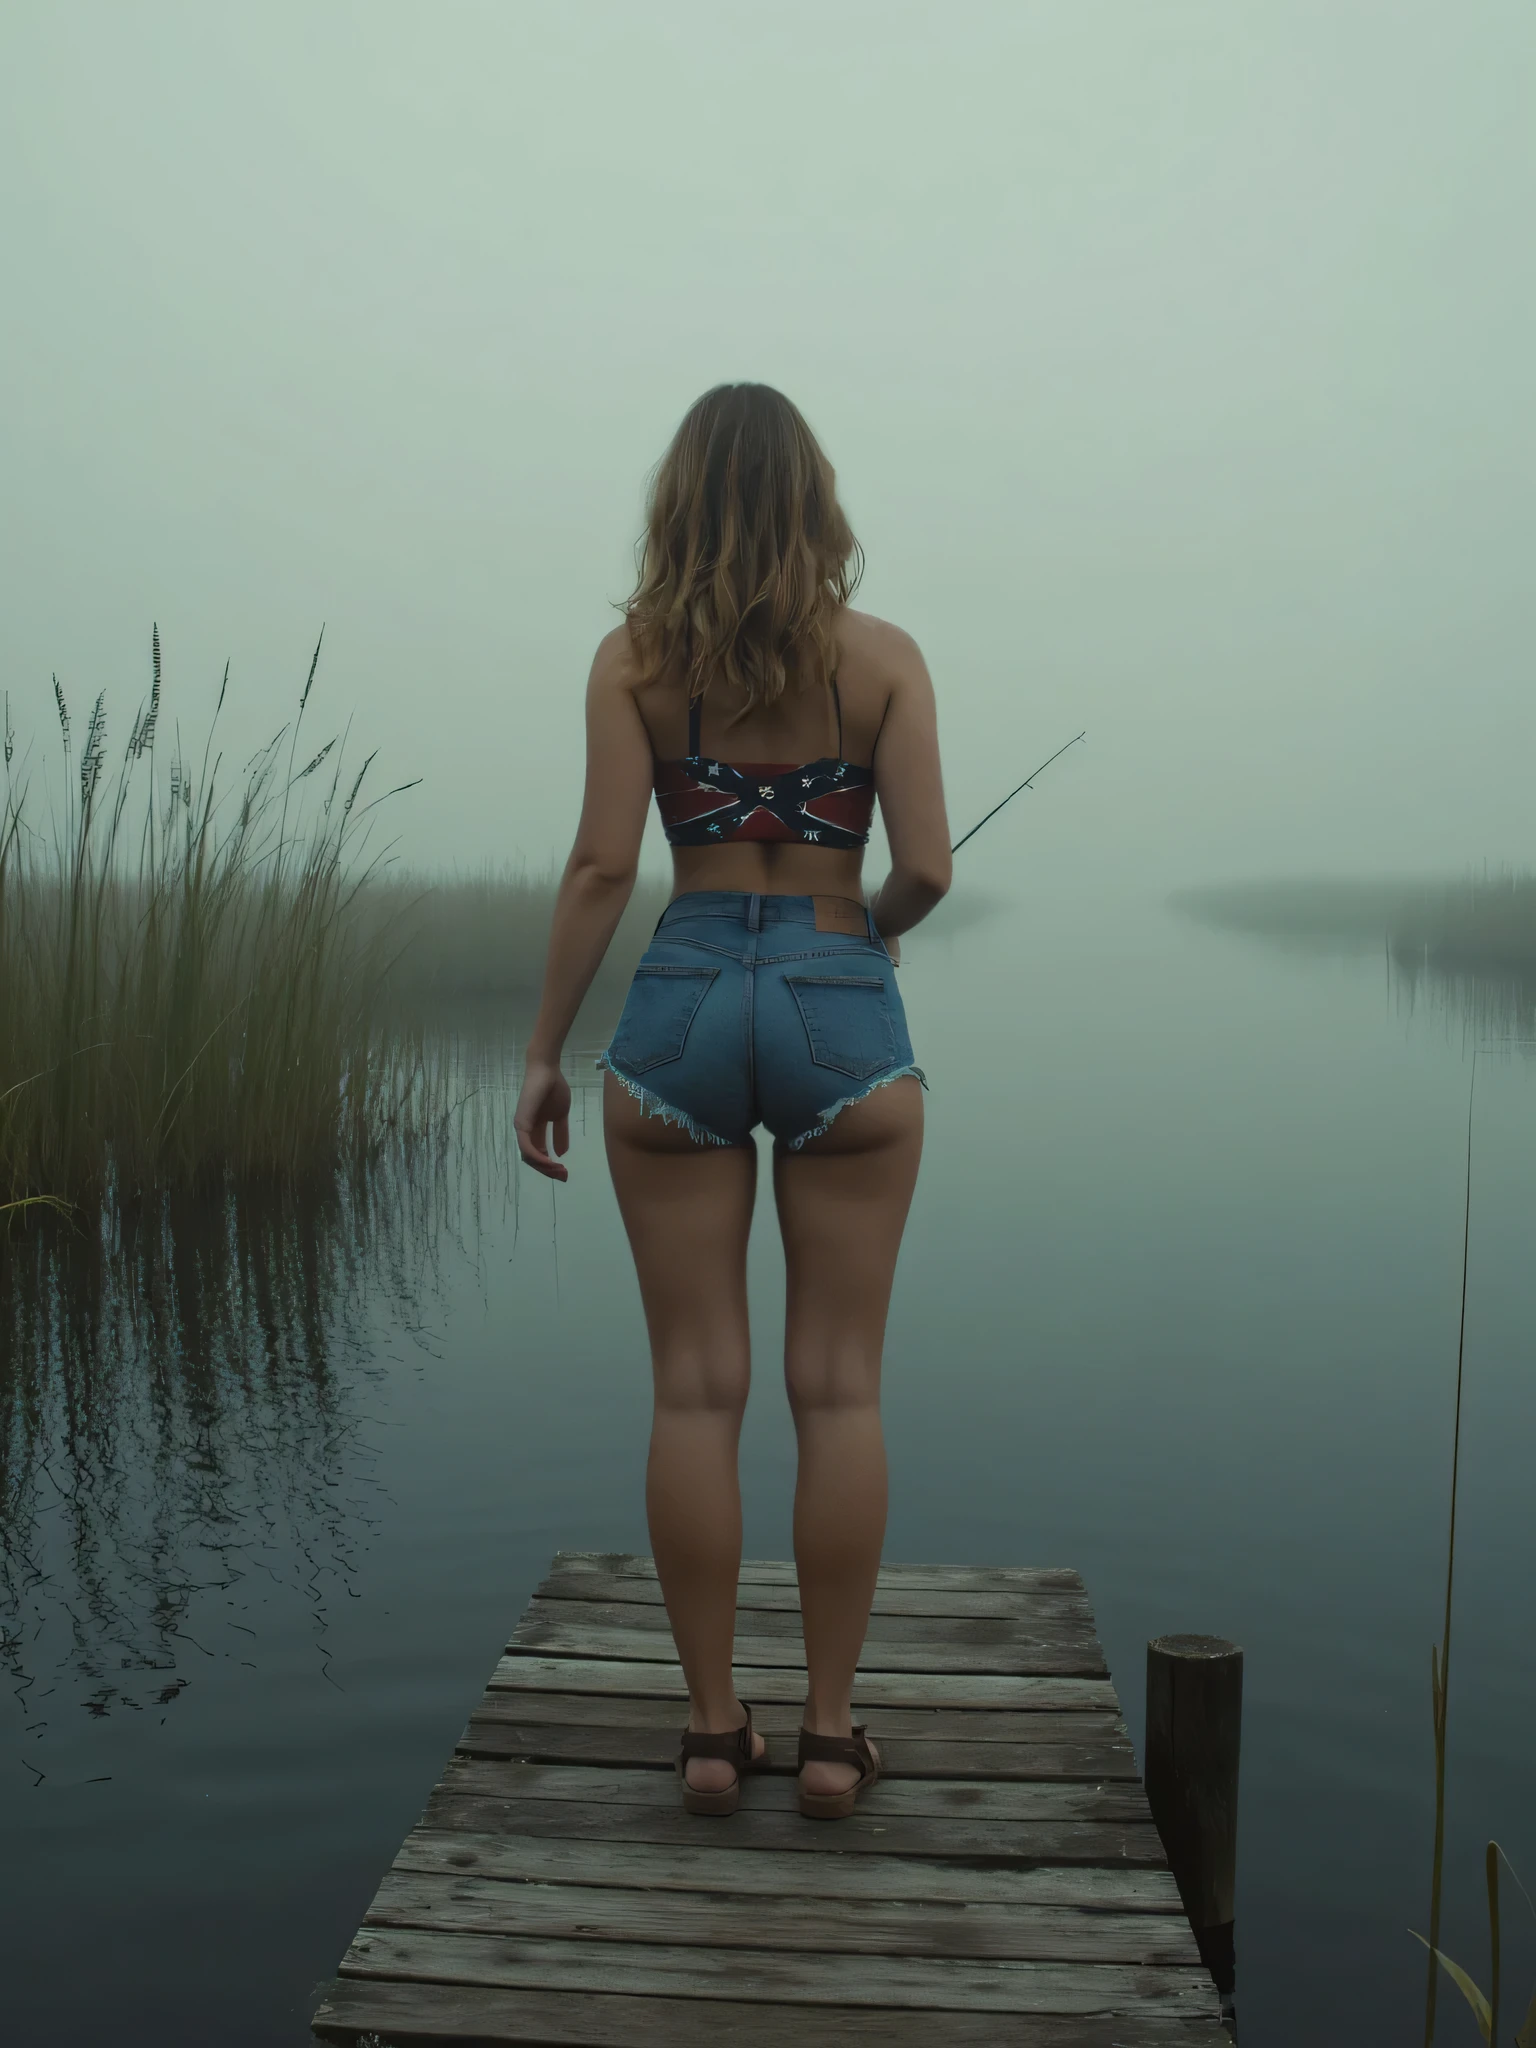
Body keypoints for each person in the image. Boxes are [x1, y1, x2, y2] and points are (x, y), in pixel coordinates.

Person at [513, 383, 951, 1819]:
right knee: (841, 1389)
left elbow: (597, 868)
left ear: (681, 504)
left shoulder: (632, 663)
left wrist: (540, 1053)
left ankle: (712, 1735)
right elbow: (931, 871)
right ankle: (830, 1738)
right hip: (838, 998)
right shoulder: (884, 664)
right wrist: (867, 921)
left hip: (684, 998)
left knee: (697, 1391)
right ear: (815, 505)